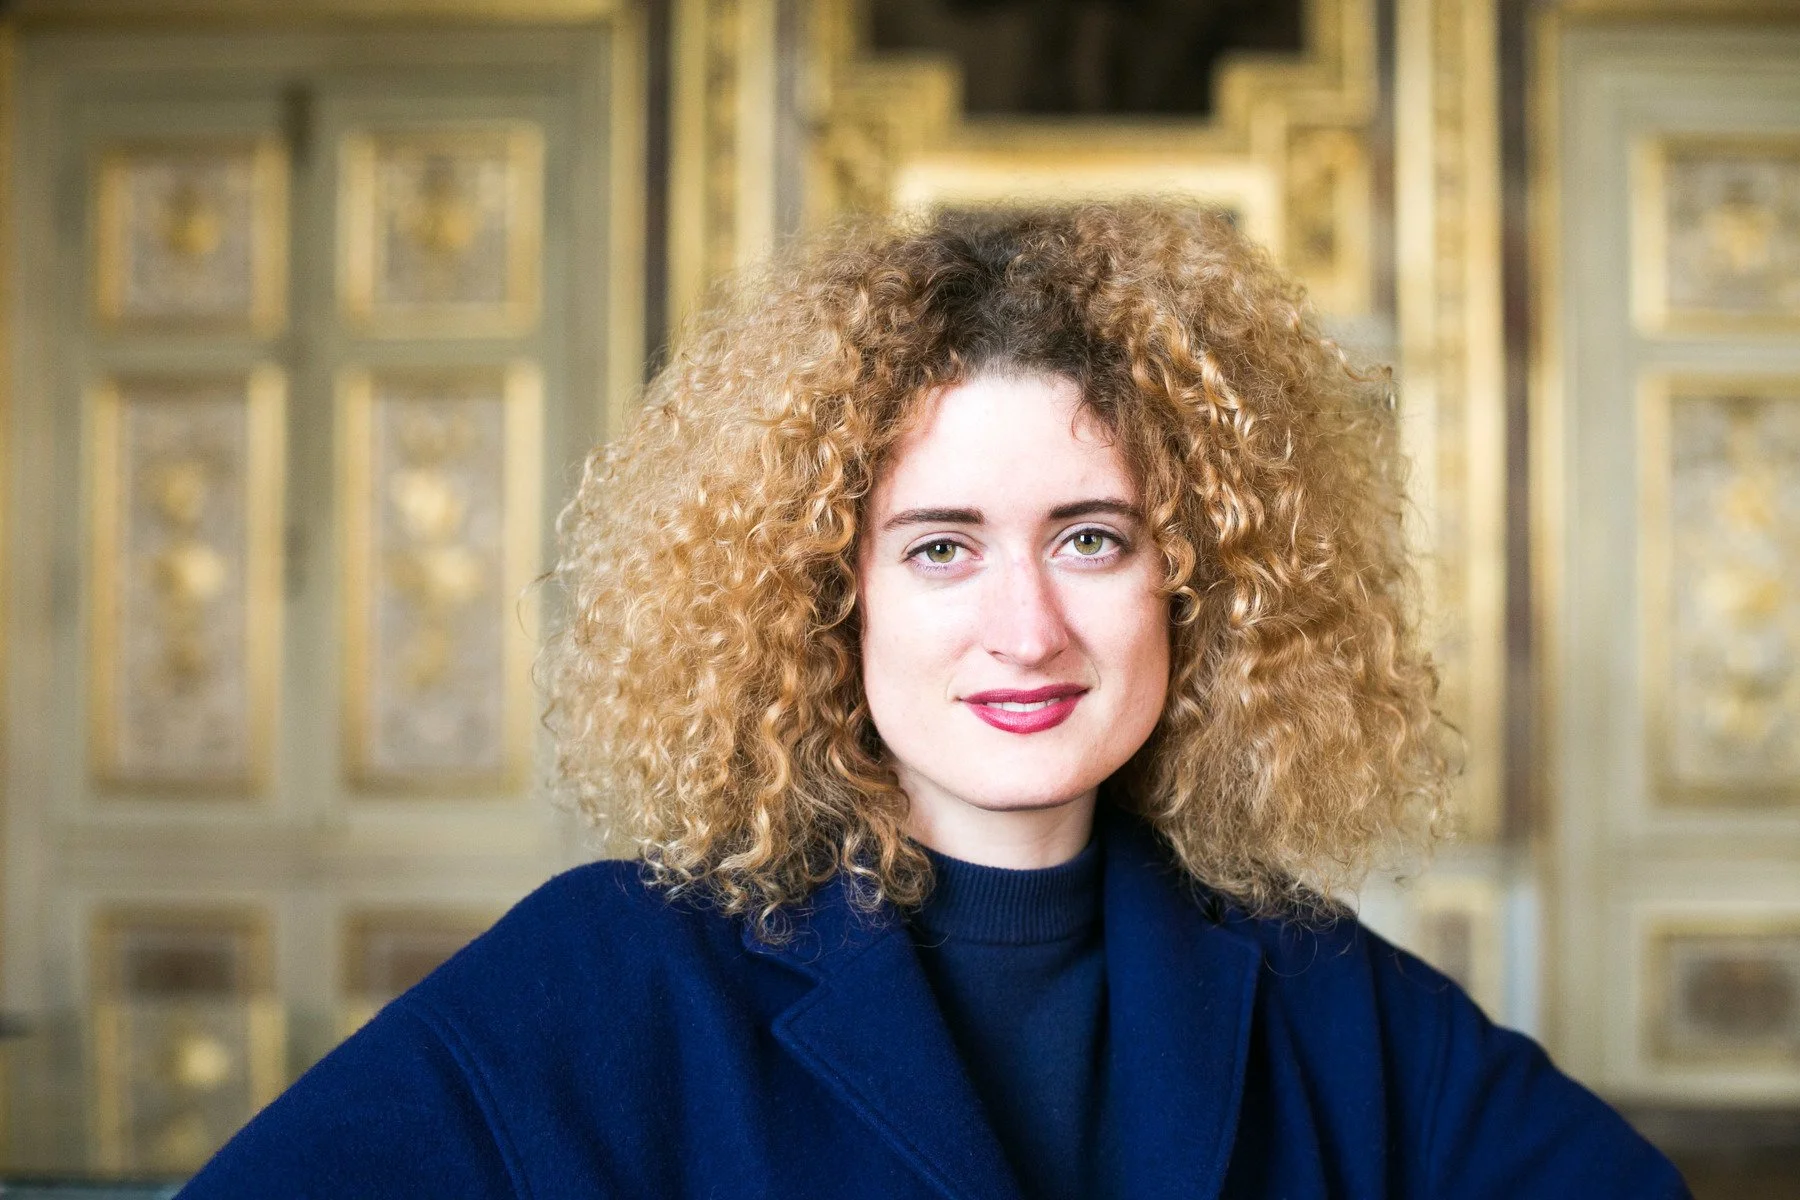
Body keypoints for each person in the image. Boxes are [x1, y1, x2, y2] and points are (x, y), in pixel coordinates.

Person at [174, 202, 1689, 1198]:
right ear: (831, 597)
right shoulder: (607, 980)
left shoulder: (1324, 999)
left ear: (1199, 582)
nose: (1023, 629)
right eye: (941, 547)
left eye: (1092, 538)